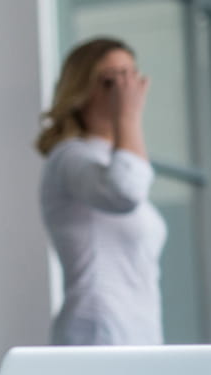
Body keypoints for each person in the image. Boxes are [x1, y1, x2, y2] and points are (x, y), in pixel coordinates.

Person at [36, 37, 167, 346]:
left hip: (140, 335)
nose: (126, 90)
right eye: (113, 80)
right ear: (81, 92)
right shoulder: (70, 157)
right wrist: (129, 117)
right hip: (98, 332)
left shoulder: (112, 158)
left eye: (131, 76)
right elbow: (126, 190)